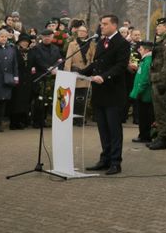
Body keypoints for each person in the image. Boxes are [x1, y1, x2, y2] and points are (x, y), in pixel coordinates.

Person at [83, 15, 129, 175]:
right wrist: (77, 73)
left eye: (105, 24)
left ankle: (116, 162)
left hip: (113, 93)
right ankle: (105, 159)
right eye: (101, 24)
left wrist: (104, 76)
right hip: (99, 93)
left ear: (114, 25)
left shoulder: (122, 43)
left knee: (114, 129)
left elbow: (121, 66)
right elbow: (96, 64)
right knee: (103, 128)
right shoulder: (101, 42)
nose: (101, 26)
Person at [147, 17, 166, 150]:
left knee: (162, 111)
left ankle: (163, 138)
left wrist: (163, 81)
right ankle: (159, 136)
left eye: (160, 26)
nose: (157, 28)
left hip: (162, 81)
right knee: (157, 111)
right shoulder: (160, 41)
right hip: (156, 78)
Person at [28, 28, 63, 128]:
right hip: (40, 76)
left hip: (51, 78)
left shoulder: (56, 48)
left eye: (49, 36)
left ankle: (43, 120)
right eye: (45, 36)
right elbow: (37, 60)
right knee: (39, 100)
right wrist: (48, 68)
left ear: (52, 37)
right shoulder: (36, 48)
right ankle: (36, 121)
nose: (47, 38)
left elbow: (60, 60)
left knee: (48, 99)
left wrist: (56, 67)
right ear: (42, 37)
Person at [64, 25, 96, 126]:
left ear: (87, 33)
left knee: (83, 98)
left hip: (86, 74)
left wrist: (92, 73)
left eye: (84, 31)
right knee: (75, 98)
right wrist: (67, 73)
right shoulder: (72, 44)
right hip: (75, 73)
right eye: (80, 31)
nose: (81, 33)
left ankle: (81, 118)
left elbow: (93, 59)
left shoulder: (91, 44)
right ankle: (74, 118)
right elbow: (68, 59)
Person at [129, 40, 154, 143]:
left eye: (141, 48)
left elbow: (145, 79)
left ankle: (144, 136)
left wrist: (139, 91)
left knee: (144, 117)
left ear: (147, 50)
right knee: (143, 115)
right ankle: (143, 134)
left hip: (144, 94)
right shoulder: (145, 59)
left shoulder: (148, 60)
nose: (139, 50)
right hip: (141, 92)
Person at [9, 33, 34, 129]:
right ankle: (13, 122)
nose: (24, 43)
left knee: (25, 102)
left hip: (27, 80)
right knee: (15, 101)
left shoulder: (30, 52)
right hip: (17, 78)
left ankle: (21, 121)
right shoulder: (15, 51)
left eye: (26, 42)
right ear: (19, 42)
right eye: (23, 41)